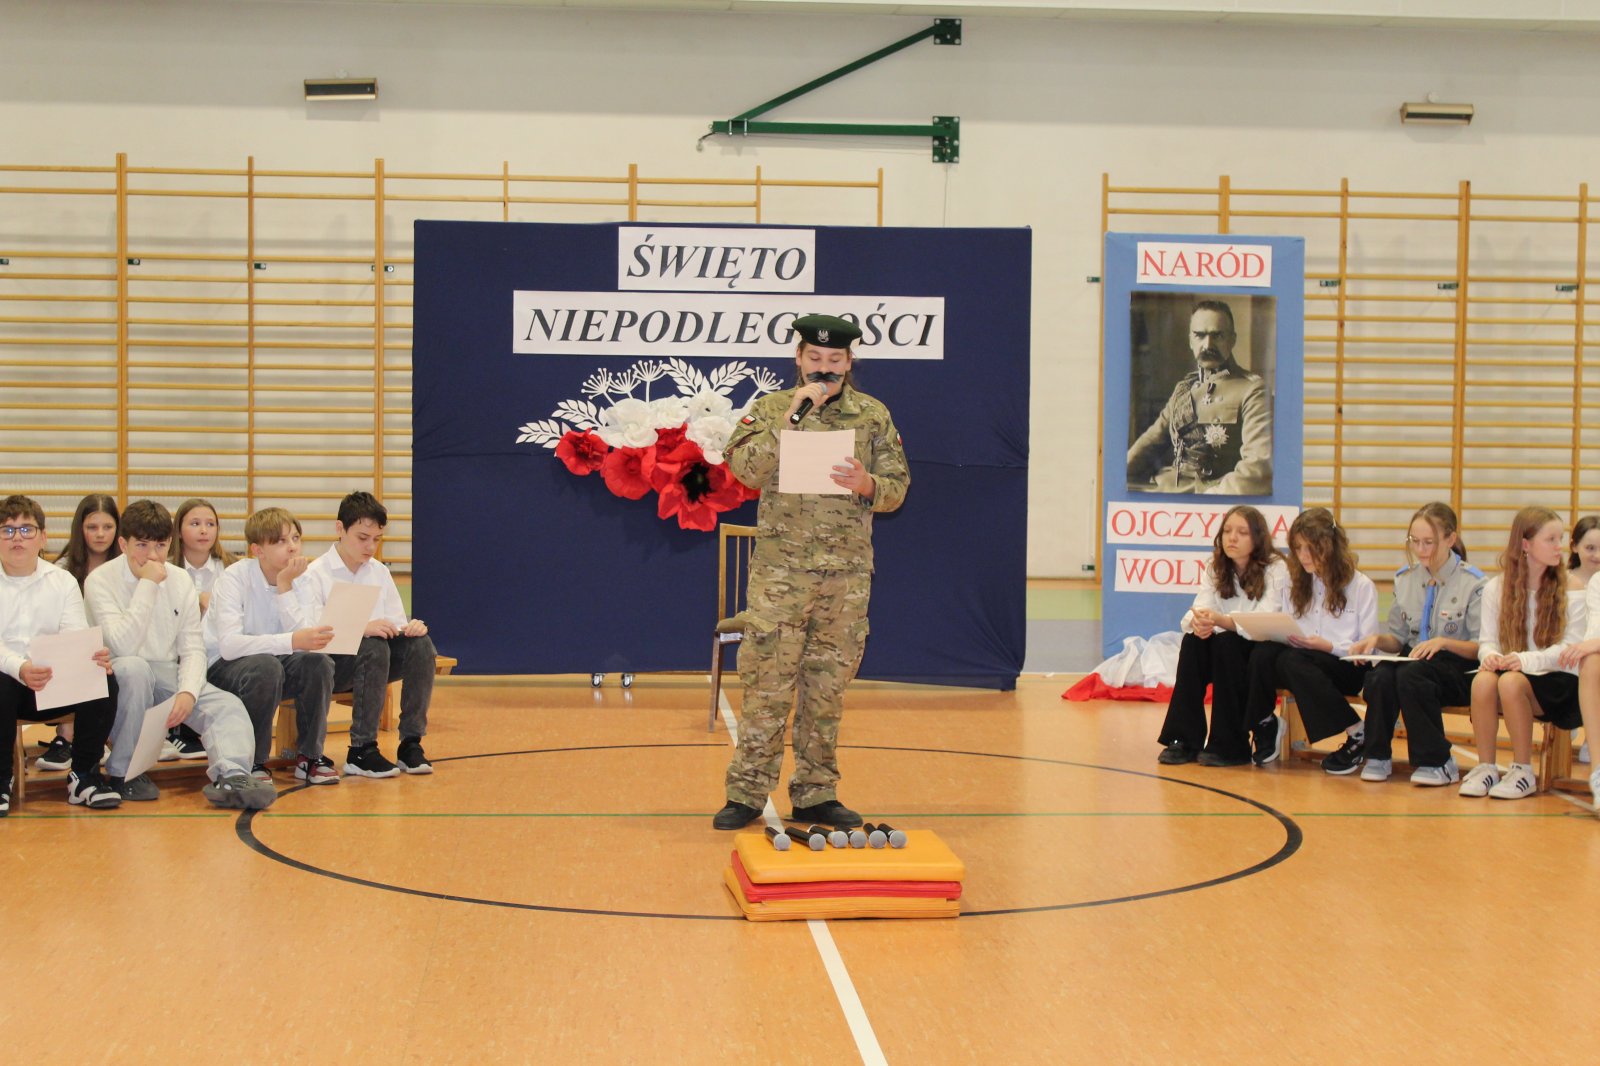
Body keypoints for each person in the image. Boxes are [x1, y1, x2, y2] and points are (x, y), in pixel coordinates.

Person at [712, 314, 910, 831]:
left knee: (826, 690)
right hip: (781, 576)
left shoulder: (872, 415)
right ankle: (746, 793)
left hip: (845, 579)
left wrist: (868, 483)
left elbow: (897, 488)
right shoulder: (771, 408)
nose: (825, 368)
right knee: (767, 686)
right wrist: (789, 420)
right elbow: (746, 471)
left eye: (835, 360)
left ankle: (816, 793)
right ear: (799, 359)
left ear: (849, 363)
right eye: (815, 358)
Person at [82, 499, 274, 809]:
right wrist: (147, 584)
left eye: (160, 545)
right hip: (119, 672)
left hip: (166, 670)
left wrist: (188, 692)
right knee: (134, 668)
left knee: (226, 705)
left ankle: (232, 776)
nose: (152, 556)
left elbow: (192, 647)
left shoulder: (180, 579)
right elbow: (123, 646)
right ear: (123, 544)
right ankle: (123, 773)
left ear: (170, 543)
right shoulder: (100, 581)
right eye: (141, 545)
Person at [293, 491, 435, 778]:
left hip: (376, 662)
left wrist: (411, 629)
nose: (370, 546)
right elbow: (309, 635)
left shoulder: (379, 572)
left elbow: (395, 624)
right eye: (362, 538)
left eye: (377, 539)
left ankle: (410, 743)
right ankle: (362, 749)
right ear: (340, 529)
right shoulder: (315, 574)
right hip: (332, 667)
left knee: (421, 645)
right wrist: (360, 628)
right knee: (372, 645)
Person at [1343, 503, 1484, 784]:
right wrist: (1375, 640)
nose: (1421, 549)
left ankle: (1438, 761)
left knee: (1412, 676)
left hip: (1457, 667)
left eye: (1429, 542)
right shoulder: (1405, 579)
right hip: (1415, 660)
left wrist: (1443, 642)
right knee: (1379, 677)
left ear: (1450, 539)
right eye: (1414, 541)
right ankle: (1377, 755)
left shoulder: (1474, 583)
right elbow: (1397, 639)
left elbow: (1480, 647)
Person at [0, 495, 122, 812]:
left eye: (26, 530)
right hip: (8, 684)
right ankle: (1, 780)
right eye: (7, 530)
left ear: (43, 537)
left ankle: (84, 776)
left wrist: (91, 656)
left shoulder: (62, 580)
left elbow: (74, 635)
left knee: (104, 677)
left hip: (52, 683)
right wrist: (19, 667)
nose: (17, 538)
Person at [1235, 508, 1378, 768]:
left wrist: (1329, 646)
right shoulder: (1294, 582)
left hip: (1346, 664)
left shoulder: (1361, 585)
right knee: (1262, 654)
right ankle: (1265, 723)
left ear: (1331, 546)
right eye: (1298, 548)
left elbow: (1367, 650)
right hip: (1301, 661)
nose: (1303, 556)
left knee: (1291, 661)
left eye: (1311, 548)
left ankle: (1357, 731)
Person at [204, 507, 338, 783]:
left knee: (318, 663)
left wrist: (285, 585)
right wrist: (290, 641)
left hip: (272, 665)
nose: (292, 547)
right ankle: (252, 760)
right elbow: (229, 646)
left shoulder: (302, 578)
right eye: (280, 541)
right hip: (221, 668)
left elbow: (307, 640)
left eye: (295, 538)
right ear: (257, 550)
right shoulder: (234, 578)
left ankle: (309, 757)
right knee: (266, 666)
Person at [1461, 507, 1585, 800]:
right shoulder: (1496, 587)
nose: (1559, 546)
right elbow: (1487, 641)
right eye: (1551, 539)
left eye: (1560, 539)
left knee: (1510, 682)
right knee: (1483, 680)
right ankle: (1486, 767)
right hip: (1517, 671)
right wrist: (1490, 657)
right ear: (1526, 545)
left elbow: (1570, 648)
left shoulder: (1573, 587)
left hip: (1559, 679)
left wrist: (1523, 660)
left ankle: (1523, 770)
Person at [1156, 505, 1289, 766]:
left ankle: (1230, 743)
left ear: (1258, 538)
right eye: (1227, 531)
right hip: (1227, 644)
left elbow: (1264, 619)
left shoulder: (1276, 567)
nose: (1232, 538)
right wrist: (1200, 622)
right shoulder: (1216, 566)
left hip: (1263, 648)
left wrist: (1220, 621)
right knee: (1193, 642)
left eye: (1242, 533)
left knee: (1227, 643)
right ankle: (1184, 739)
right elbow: (1201, 606)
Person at [1126, 300, 1272, 495]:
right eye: (1200, 335)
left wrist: (1209, 499)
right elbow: (1150, 442)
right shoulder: (1184, 389)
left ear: (1232, 340)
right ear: (1190, 341)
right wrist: (1117, 475)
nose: (1208, 344)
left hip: (1217, 495)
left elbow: (1257, 468)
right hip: (1170, 487)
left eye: (1217, 335)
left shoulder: (1252, 390)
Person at [35, 493, 122, 771]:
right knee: (81, 662)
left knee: (115, 669)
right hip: (76, 651)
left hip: (117, 648)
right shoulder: (62, 570)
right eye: (92, 527)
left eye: (108, 527)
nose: (100, 534)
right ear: (79, 529)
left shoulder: (125, 567)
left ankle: (96, 740)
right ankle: (67, 736)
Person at [165, 498, 237, 760]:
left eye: (210, 524)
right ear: (178, 530)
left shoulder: (230, 566)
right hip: (177, 648)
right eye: (195, 524)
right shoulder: (167, 567)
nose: (204, 530)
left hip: (218, 648)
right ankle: (177, 730)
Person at [1566, 515, 1599, 770]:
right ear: (1574, 546)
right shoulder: (1562, 580)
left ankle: (1592, 738)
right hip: (1567, 653)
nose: (1597, 555)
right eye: (1590, 548)